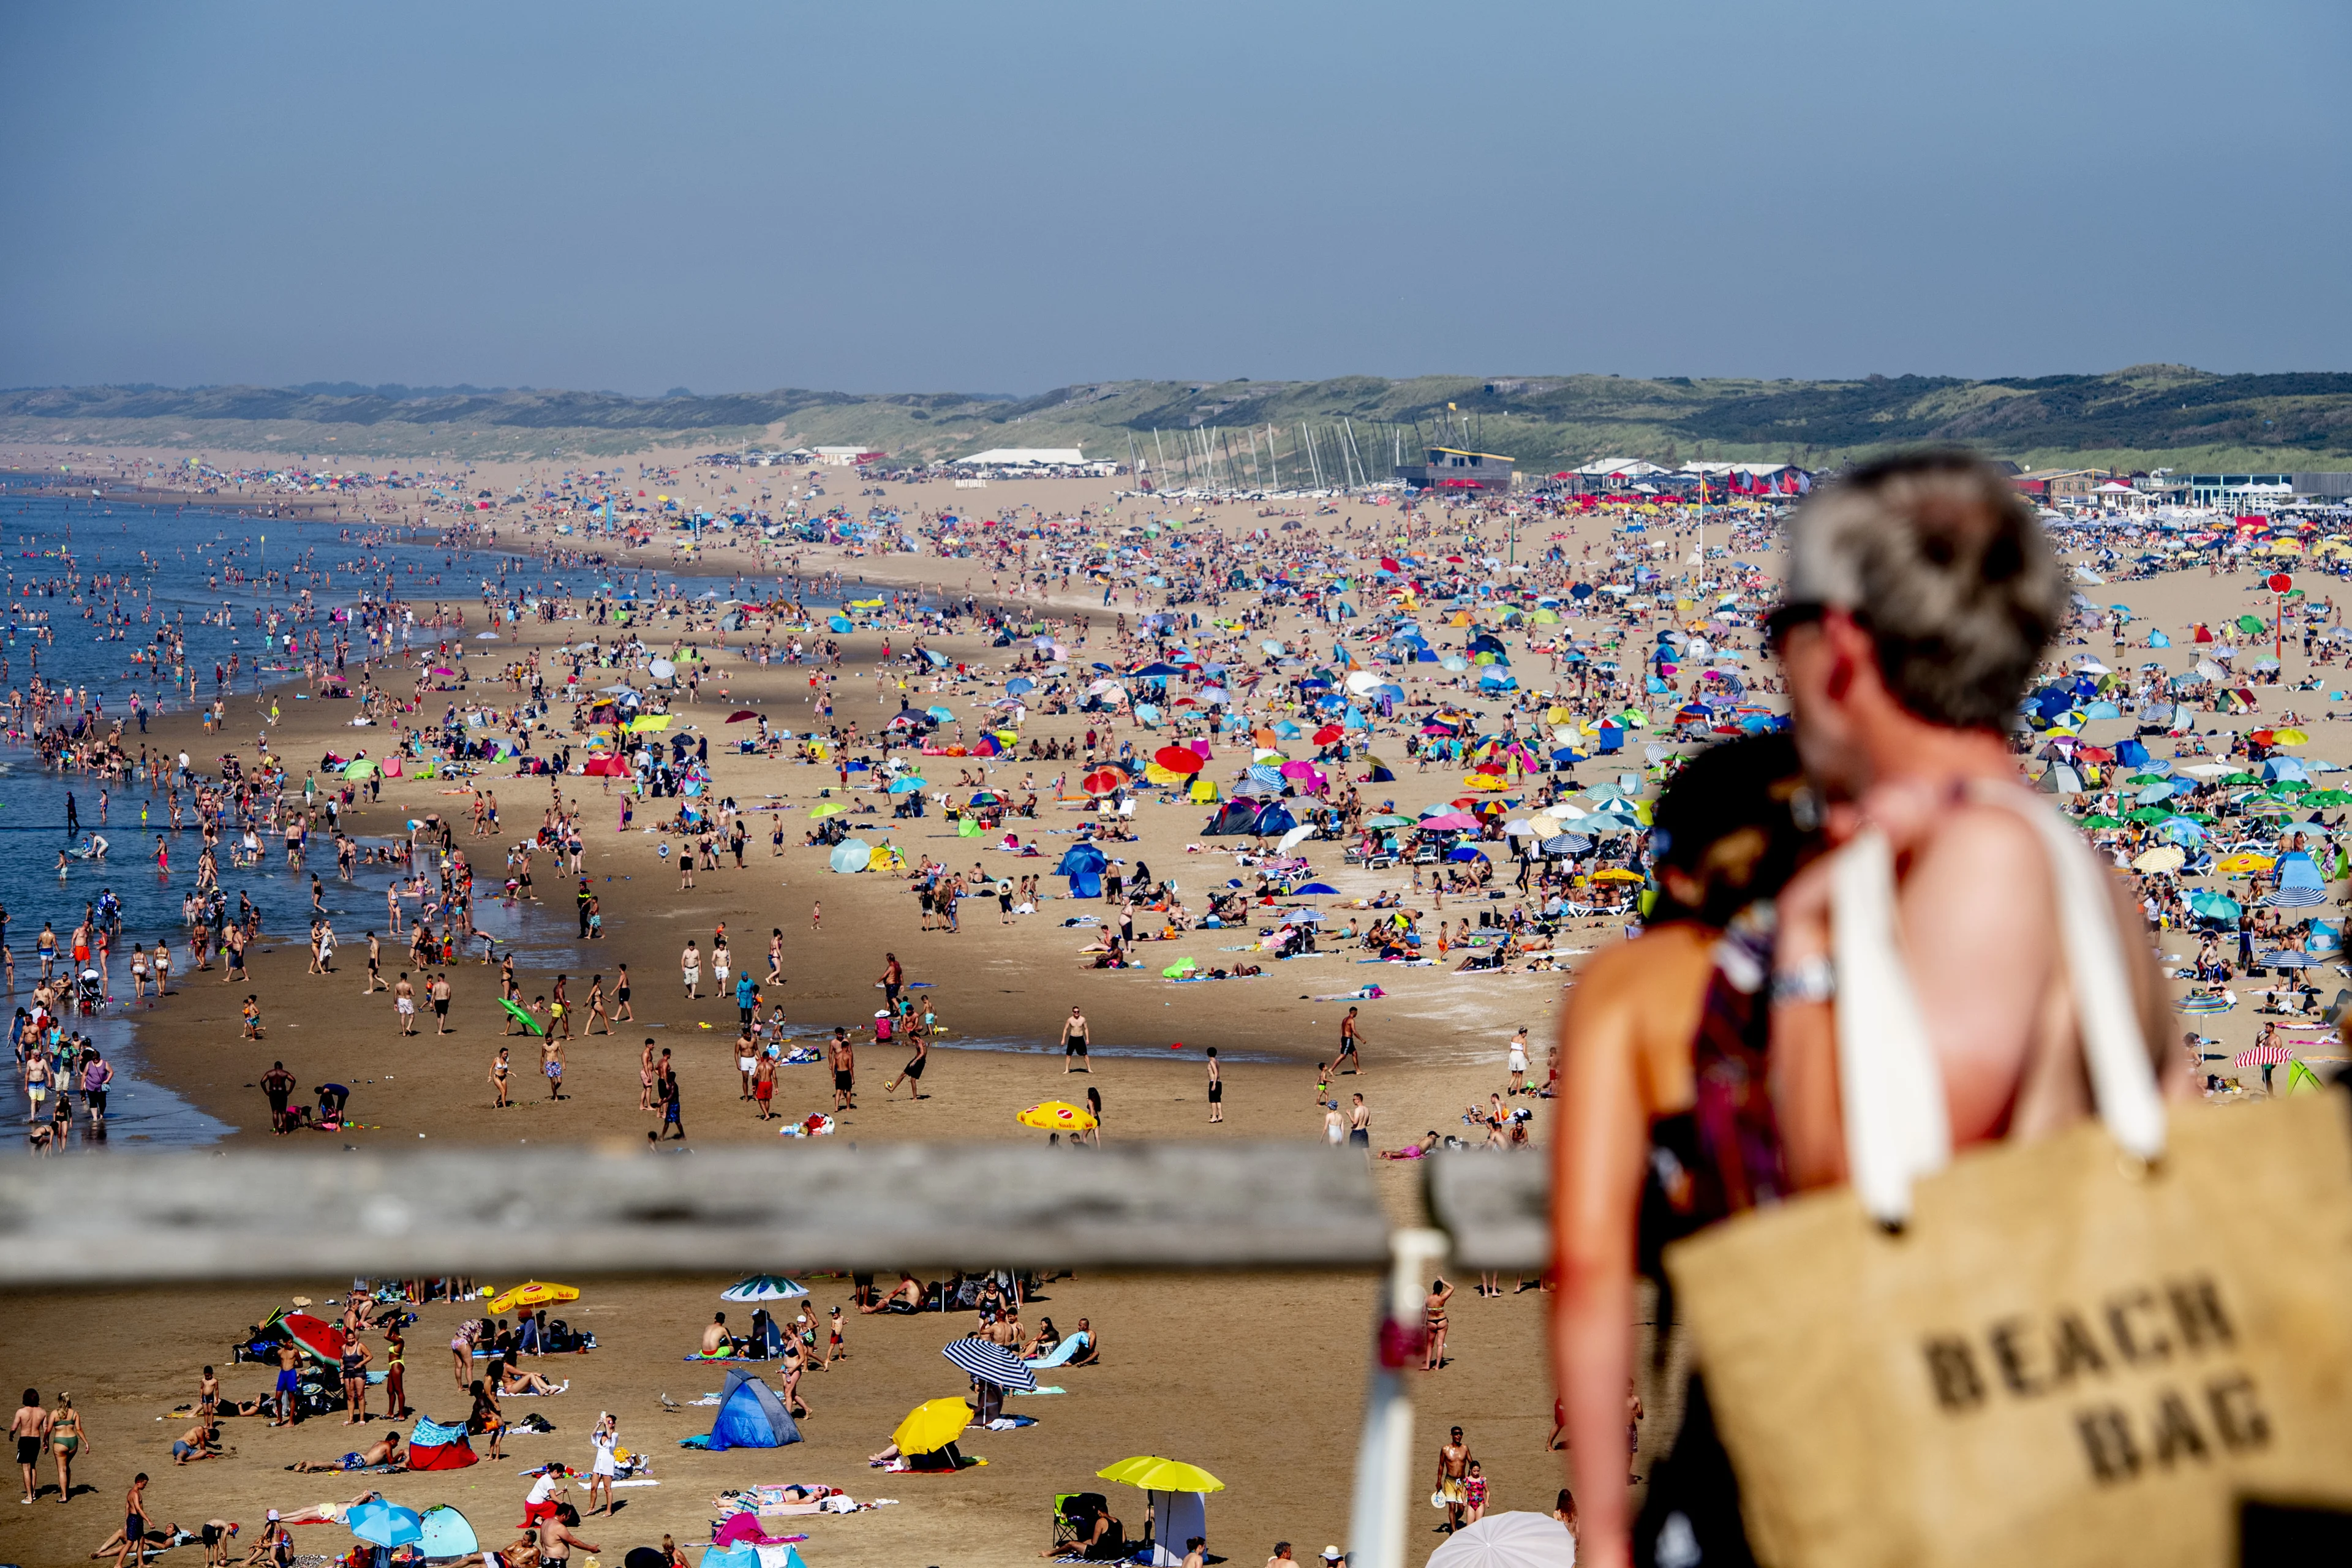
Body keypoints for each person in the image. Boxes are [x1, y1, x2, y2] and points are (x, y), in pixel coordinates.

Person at [13, 1387, 51, 1504]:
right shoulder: (42, 1412)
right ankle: (33, 1493)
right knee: (33, 1466)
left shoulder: (21, 1412)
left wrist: (11, 1434)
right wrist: (46, 1443)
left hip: (25, 1440)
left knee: (26, 1468)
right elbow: (46, 1430)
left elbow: (14, 1427)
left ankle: (29, 1497)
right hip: (36, 1440)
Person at [1434, 1428, 1472, 1534]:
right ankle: (1453, 1531)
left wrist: (1470, 1478)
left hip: (1462, 1481)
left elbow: (1471, 1463)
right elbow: (1441, 1466)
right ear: (1451, 1435)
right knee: (1452, 1506)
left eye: (1460, 1434)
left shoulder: (1465, 1448)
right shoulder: (1445, 1449)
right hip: (1450, 1481)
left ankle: (1453, 1522)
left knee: (1461, 1508)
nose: (1459, 1436)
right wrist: (1439, 1481)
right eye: (1456, 1434)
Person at [586, 1412, 619, 1515]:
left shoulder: (614, 1435)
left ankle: (608, 1510)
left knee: (607, 1488)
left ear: (613, 1424)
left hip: (608, 1463)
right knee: (593, 1487)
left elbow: (609, 1436)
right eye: (607, 1421)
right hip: (598, 1463)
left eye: (609, 1422)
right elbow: (593, 1435)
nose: (607, 1423)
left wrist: (606, 1424)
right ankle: (591, 1508)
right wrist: (598, 1424)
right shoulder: (601, 1433)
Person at [116, 1473, 151, 1568]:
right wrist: (148, 1520)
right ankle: (118, 1564)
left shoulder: (131, 1492)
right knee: (130, 1543)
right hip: (135, 1519)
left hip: (135, 1519)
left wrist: (127, 1520)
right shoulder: (135, 1494)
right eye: (144, 1484)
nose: (145, 1486)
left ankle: (141, 1564)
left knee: (141, 1541)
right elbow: (138, 1509)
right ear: (138, 1482)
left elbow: (127, 1506)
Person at [1422, 1278, 1455, 1372]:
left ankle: (1427, 1365)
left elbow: (1424, 1312)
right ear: (1441, 1289)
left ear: (1433, 1288)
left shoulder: (1427, 1299)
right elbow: (1452, 1288)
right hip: (1442, 1321)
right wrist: (1443, 1280)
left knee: (1429, 1345)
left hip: (1431, 1322)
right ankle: (1437, 1366)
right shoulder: (1442, 1298)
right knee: (1440, 1345)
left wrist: (1422, 1323)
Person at [1060, 1005, 1091, 1072]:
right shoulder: (1070, 1020)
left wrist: (1087, 1039)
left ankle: (1089, 1069)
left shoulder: (1083, 1019)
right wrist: (1063, 1039)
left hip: (1080, 1038)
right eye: (1075, 1012)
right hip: (1072, 1038)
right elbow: (1065, 1029)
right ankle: (1067, 1070)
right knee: (1068, 1055)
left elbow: (1086, 1029)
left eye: (1078, 1011)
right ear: (1073, 1012)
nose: (1077, 1013)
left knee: (1085, 1054)